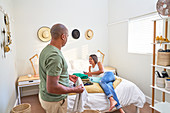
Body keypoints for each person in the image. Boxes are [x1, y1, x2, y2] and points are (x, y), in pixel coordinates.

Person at [39, 23, 84, 113]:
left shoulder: (47, 50)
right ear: (63, 36)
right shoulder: (55, 56)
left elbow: (52, 72)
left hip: (46, 96)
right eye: (67, 36)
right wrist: (75, 90)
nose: (67, 39)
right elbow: (52, 87)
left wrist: (68, 76)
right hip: (55, 101)